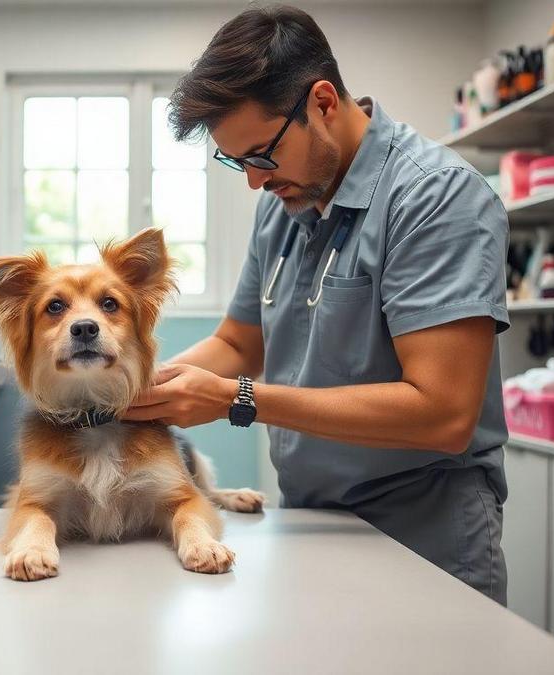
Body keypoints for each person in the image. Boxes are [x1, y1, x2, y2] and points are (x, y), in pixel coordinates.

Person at [122, 5, 510, 604]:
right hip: (311, 519)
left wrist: (234, 399)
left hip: (424, 535)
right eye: (237, 162)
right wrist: (144, 387)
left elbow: (444, 413)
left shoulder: (434, 198)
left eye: (260, 155)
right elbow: (238, 343)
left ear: (323, 103)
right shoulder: (284, 204)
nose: (254, 181)